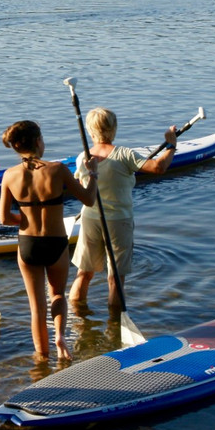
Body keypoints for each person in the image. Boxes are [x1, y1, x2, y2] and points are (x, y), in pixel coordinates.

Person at [0, 120, 98, 361]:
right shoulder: (57, 169)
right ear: (37, 141)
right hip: (55, 242)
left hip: (28, 245)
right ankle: (60, 338)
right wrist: (93, 174)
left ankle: (41, 358)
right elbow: (88, 199)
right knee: (57, 296)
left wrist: (23, 220)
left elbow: (3, 218)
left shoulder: (10, 175)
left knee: (37, 307)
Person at [68, 108, 178, 309]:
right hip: (119, 221)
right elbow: (158, 167)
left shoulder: (82, 158)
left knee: (83, 273)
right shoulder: (124, 154)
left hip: (90, 219)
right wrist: (171, 145)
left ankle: (77, 319)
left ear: (91, 132)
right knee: (115, 280)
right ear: (113, 129)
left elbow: (82, 182)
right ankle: (115, 325)